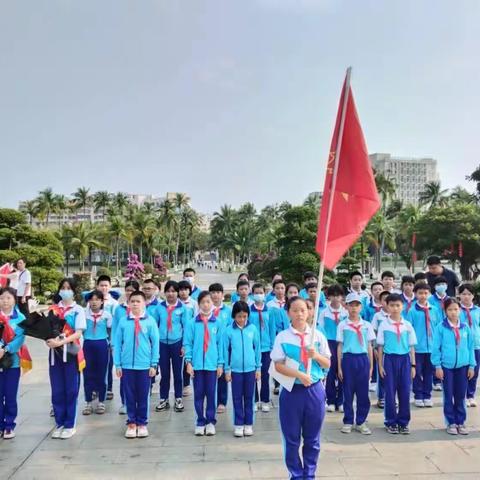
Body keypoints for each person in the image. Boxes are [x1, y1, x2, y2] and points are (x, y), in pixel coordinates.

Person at [271, 296, 331, 480]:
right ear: (288, 312)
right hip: (292, 392)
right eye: (295, 310)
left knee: (313, 439)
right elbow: (278, 365)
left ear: (309, 312)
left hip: (314, 391)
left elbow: (327, 364)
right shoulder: (283, 337)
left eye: (303, 310)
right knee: (291, 439)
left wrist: (316, 355)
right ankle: (296, 475)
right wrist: (299, 375)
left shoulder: (317, 336)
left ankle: (309, 474)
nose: (299, 314)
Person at [114, 291, 159, 438]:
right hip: (127, 366)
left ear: (144, 303)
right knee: (129, 395)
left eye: (138, 301)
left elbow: (155, 344)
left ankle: (142, 423)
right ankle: (131, 422)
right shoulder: (123, 321)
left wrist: (154, 364)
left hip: (144, 366)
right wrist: (118, 364)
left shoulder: (150, 321)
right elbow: (117, 343)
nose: (135, 304)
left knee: (143, 395)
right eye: (132, 301)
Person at [47, 278, 86, 440]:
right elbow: (46, 329)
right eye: (62, 288)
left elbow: (78, 332)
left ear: (74, 291)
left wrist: (61, 341)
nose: (65, 291)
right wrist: (48, 340)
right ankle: (59, 423)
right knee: (57, 390)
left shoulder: (77, 310)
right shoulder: (53, 309)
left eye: (68, 288)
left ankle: (70, 424)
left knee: (70, 389)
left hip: (70, 353)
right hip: (54, 355)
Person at [431, 298, 476, 435]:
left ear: (460, 310)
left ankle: (461, 422)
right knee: (448, 394)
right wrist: (438, 366)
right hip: (446, 367)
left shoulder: (465, 327)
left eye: (456, 309)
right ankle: (451, 422)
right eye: (450, 309)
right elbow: (435, 348)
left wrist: (471, 366)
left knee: (461, 395)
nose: (453, 312)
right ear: (445, 311)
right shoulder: (440, 328)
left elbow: (470, 347)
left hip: (463, 366)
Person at [184, 291, 224, 436]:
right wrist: (188, 362)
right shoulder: (192, 323)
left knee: (211, 393)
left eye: (208, 302)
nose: (206, 305)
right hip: (197, 366)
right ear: (199, 304)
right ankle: (200, 420)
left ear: (212, 303)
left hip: (212, 365)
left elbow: (221, 345)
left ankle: (211, 421)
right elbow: (187, 343)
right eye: (203, 302)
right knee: (199, 394)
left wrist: (220, 364)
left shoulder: (218, 323)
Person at [377, 293, 417, 434]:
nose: (395, 308)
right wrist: (380, 365)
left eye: (398, 305)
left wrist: (413, 365)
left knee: (405, 391)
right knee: (390, 391)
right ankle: (390, 421)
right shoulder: (384, 325)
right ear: (387, 306)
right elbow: (380, 347)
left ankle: (403, 422)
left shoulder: (407, 325)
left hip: (405, 360)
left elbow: (412, 347)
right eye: (392, 305)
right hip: (390, 360)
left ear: (403, 306)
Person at [337, 292, 375, 434]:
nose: (354, 308)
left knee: (363, 392)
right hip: (348, 359)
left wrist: (371, 366)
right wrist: (339, 367)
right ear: (346, 306)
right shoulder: (343, 325)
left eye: (357, 305)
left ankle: (361, 421)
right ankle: (348, 420)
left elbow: (370, 346)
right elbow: (340, 346)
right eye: (351, 305)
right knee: (348, 391)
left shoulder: (366, 325)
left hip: (362, 359)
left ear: (361, 307)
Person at [223, 301, 261, 437]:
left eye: (245, 316)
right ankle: (238, 424)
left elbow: (257, 349)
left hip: (251, 370)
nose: (242, 319)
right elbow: (225, 351)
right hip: (235, 371)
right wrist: (227, 370)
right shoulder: (228, 331)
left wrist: (258, 368)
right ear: (234, 316)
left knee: (249, 398)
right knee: (237, 398)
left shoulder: (253, 329)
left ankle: (248, 424)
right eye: (239, 316)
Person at [0, 287, 29, 439]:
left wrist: (6, 349)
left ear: (14, 300)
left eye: (8, 298)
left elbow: (20, 338)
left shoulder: (20, 318)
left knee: (10, 395)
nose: (5, 301)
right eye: (2, 298)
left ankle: (9, 425)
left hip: (13, 361)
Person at [406, 283, 441, 408]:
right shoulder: (412, 311)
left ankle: (427, 395)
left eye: (426, 293)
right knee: (416, 372)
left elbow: (438, 328)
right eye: (420, 293)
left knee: (429, 373)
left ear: (429, 294)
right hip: (417, 348)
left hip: (432, 348)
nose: (423, 295)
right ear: (415, 294)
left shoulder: (435, 310)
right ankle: (418, 395)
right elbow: (409, 329)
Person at [156, 281, 187, 413]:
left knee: (178, 373)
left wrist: (184, 345)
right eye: (168, 291)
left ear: (178, 293)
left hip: (177, 343)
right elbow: (155, 326)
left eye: (174, 291)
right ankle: (164, 398)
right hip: (162, 344)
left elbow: (186, 328)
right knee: (164, 373)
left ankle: (178, 398)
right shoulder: (159, 307)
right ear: (164, 292)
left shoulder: (182, 308)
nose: (171, 294)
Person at [111, 279, 140, 415]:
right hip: (124, 348)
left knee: (138, 379)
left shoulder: (142, 309)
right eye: (127, 290)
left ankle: (137, 403)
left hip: (139, 349)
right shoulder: (119, 309)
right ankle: (124, 402)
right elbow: (115, 328)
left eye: (132, 290)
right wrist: (114, 345)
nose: (129, 293)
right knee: (124, 378)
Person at [318, 284, 347, 413]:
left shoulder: (346, 313)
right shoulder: (324, 313)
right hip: (329, 343)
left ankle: (341, 400)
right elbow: (321, 330)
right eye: (333, 295)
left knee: (342, 373)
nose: (336, 298)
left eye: (338, 295)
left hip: (342, 343)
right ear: (328, 297)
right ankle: (330, 400)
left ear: (342, 297)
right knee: (329, 372)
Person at [82, 290, 112, 415]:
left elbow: (110, 330)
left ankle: (101, 401)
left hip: (102, 345)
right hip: (87, 344)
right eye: (92, 299)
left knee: (102, 373)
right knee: (87, 373)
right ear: (88, 301)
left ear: (101, 301)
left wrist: (111, 344)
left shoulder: (106, 315)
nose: (94, 302)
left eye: (97, 299)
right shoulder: (84, 314)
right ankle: (88, 402)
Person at [249, 283, 275, 412]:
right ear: (252, 294)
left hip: (265, 348)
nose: (259, 295)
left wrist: (272, 346)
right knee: (253, 374)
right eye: (256, 292)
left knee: (265, 375)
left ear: (264, 294)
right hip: (252, 348)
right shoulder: (248, 310)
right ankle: (254, 400)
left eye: (261, 292)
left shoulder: (269, 311)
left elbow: (272, 329)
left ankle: (265, 400)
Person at [209, 283, 232, 413]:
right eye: (212, 292)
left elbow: (231, 327)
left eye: (218, 292)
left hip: (225, 346)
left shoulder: (228, 311)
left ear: (222, 295)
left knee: (222, 373)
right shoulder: (206, 310)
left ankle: (222, 401)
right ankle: (211, 400)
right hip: (210, 346)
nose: (215, 295)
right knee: (211, 373)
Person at [96, 275, 118, 401]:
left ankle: (108, 388)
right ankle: (95, 388)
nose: (104, 288)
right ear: (97, 286)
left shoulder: (113, 304)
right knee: (95, 364)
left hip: (108, 336)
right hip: (95, 337)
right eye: (101, 285)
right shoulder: (92, 301)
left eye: (106, 285)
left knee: (108, 364)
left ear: (110, 287)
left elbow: (114, 323)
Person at [459, 284, 480, 407]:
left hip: (476, 345)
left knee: (475, 370)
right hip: (461, 345)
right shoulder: (456, 309)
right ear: (459, 295)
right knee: (463, 370)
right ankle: (462, 395)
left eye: (469, 294)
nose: (466, 297)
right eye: (464, 294)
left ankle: (471, 395)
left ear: (473, 296)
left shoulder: (478, 310)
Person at [370, 290, 390, 405]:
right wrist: (375, 349)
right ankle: (381, 397)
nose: (387, 303)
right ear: (380, 302)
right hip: (381, 349)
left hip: (394, 350)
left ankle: (391, 397)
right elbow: (374, 333)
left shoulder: (397, 315)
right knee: (381, 373)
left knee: (392, 376)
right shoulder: (377, 316)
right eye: (384, 300)